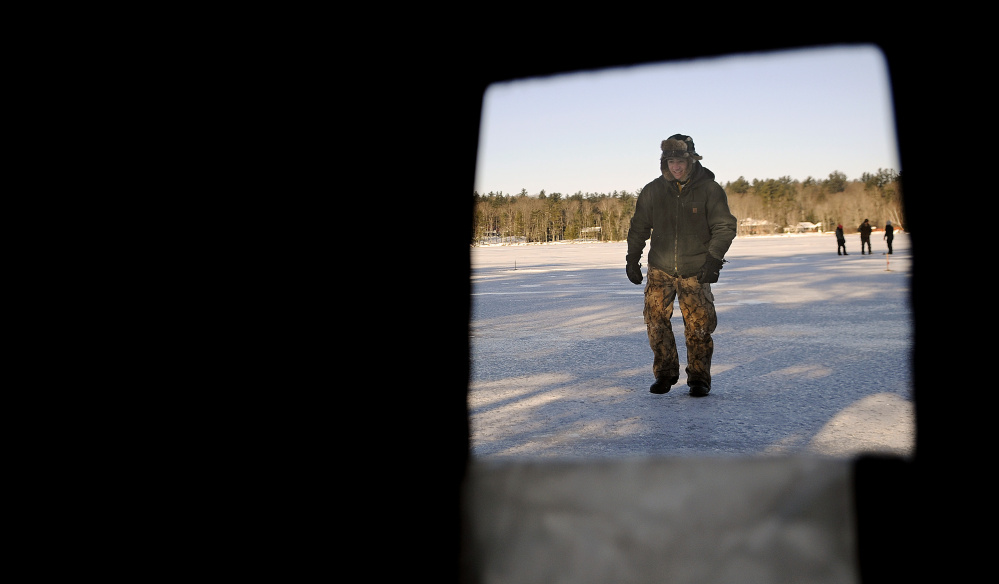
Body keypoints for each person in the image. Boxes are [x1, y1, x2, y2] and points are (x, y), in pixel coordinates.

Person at [626, 134, 737, 397]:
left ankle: (699, 378)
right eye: (670, 161)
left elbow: (724, 226)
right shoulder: (653, 190)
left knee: (699, 326)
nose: (676, 167)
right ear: (664, 162)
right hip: (660, 269)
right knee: (655, 322)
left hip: (696, 270)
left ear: (691, 161)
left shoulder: (709, 189)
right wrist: (632, 258)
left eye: (680, 161)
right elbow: (639, 227)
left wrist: (713, 259)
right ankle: (665, 374)